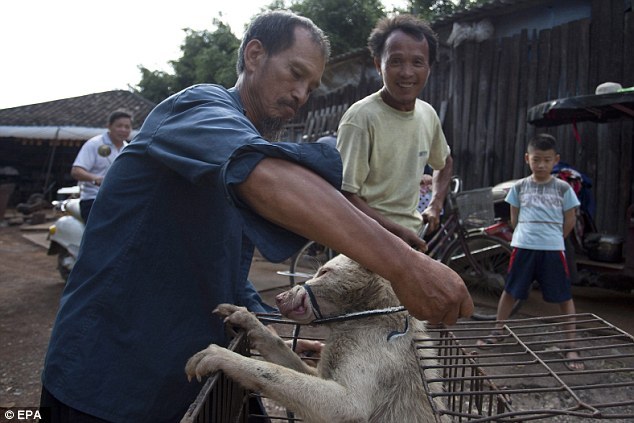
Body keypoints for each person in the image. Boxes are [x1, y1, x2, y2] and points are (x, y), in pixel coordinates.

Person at [40, 10, 473, 423]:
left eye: (311, 86)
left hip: (184, 373)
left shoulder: (248, 141)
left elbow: (222, 260)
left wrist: (266, 325)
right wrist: (403, 263)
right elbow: (262, 174)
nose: (301, 95)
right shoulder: (198, 109)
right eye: (295, 74)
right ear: (254, 55)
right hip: (105, 376)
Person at [336, 14, 454, 252]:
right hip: (366, 244)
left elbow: (444, 161)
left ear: (429, 67)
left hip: (410, 239)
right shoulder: (360, 118)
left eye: (417, 62)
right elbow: (345, 196)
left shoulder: (427, 114)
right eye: (396, 61)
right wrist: (395, 231)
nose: (407, 72)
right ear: (378, 64)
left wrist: (435, 204)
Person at [477, 134, 584, 371]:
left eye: (547, 160)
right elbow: (514, 218)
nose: (542, 165)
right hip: (524, 247)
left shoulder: (563, 188)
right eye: (537, 160)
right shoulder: (519, 187)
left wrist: (553, 238)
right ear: (527, 159)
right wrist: (527, 236)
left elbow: (570, 220)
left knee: (564, 297)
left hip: (552, 249)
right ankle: (497, 331)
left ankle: (571, 345)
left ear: (556, 160)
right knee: (511, 291)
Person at [70, 110, 132, 222]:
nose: (123, 130)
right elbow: (76, 170)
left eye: (127, 127)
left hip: (119, 199)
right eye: (119, 126)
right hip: (93, 199)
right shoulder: (94, 144)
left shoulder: (128, 149)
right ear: (109, 126)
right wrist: (96, 179)